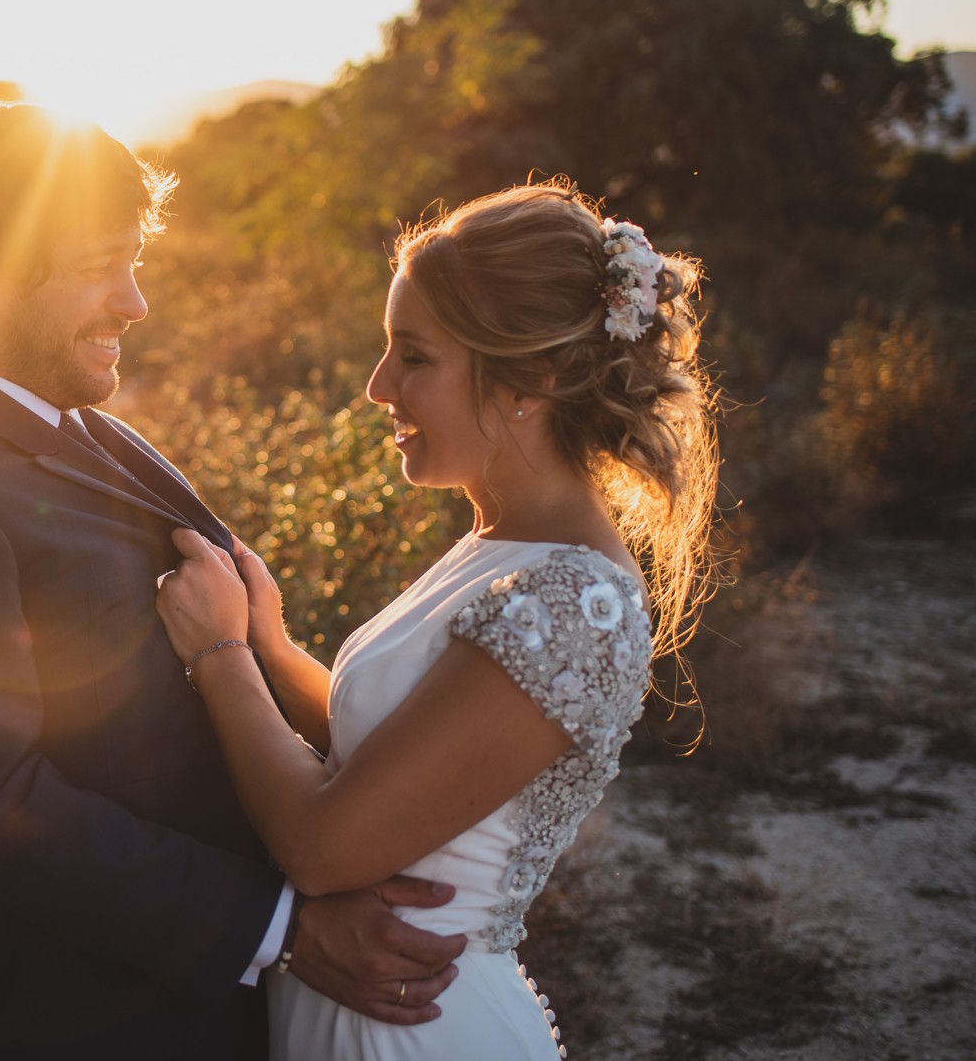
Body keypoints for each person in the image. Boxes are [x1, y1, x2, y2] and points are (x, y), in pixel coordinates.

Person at [0, 104, 468, 1060]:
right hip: (87, 1023)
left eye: (136, 262)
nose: (135, 303)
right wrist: (284, 928)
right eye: (100, 267)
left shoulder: (96, 429)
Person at [156, 182, 718, 1059]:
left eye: (414, 356)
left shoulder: (573, 602)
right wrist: (271, 645)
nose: (378, 385)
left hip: (418, 1029)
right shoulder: (502, 539)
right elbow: (395, 751)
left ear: (533, 381)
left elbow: (321, 847)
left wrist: (220, 653)